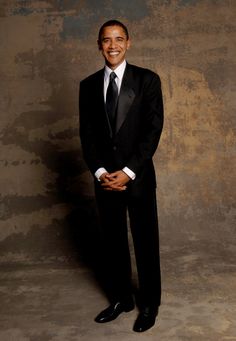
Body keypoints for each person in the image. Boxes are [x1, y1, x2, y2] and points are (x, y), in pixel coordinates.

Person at [79, 19, 164, 333]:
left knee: (145, 241)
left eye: (118, 39)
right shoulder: (87, 86)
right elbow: (87, 136)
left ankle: (150, 304)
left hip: (137, 176)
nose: (112, 45)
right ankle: (120, 299)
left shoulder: (147, 80)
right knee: (112, 241)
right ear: (99, 45)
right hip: (105, 180)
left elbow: (152, 131)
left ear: (128, 43)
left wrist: (128, 172)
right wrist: (101, 172)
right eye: (105, 40)